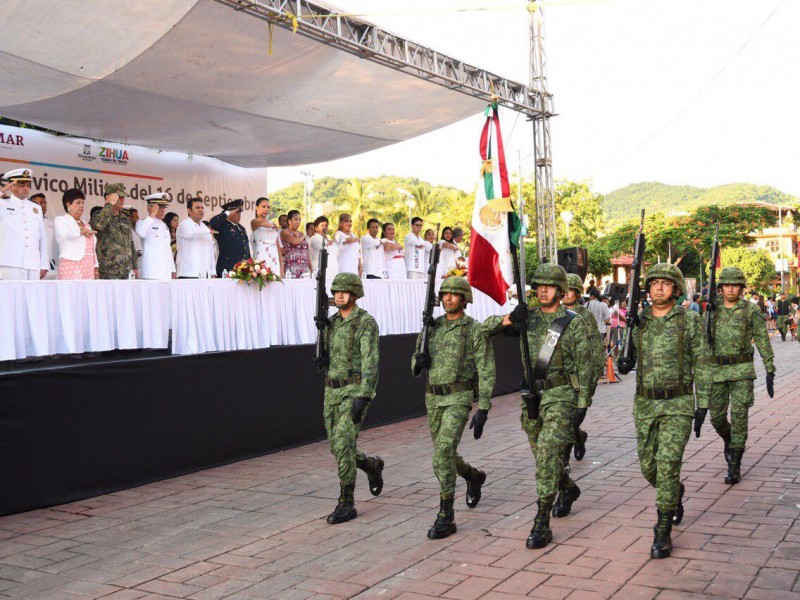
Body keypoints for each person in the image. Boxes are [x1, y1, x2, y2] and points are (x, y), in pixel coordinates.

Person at [487, 264, 593, 550]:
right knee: (542, 456)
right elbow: (483, 330)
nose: (542, 291)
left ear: (560, 290)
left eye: (549, 286)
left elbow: (586, 365)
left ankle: (541, 519)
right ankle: (568, 488)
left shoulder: (572, 322)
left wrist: (583, 403)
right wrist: (510, 319)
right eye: (539, 286)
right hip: (532, 396)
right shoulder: (527, 318)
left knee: (547, 453)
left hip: (561, 394)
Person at [629, 263, 712, 559]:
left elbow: (702, 362)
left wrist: (703, 402)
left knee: (667, 463)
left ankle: (662, 528)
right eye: (654, 283)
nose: (659, 288)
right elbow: (630, 357)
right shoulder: (638, 322)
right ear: (648, 289)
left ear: (676, 290)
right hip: (645, 403)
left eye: (666, 283)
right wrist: (625, 362)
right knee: (648, 466)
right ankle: (674, 492)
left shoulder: (689, 321)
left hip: (678, 404)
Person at [411, 277, 494, 539]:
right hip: (433, 398)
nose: (448, 298)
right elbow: (415, 360)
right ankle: (473, 476)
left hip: (459, 397)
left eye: (454, 294)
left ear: (465, 299)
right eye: (445, 294)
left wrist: (483, 407)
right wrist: (418, 361)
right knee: (443, 453)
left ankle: (446, 514)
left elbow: (486, 368)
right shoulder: (431, 328)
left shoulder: (474, 329)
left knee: (443, 451)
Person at [314, 272, 384, 524]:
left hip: (353, 391)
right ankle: (370, 465)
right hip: (331, 391)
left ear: (355, 294)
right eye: (335, 292)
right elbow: (327, 356)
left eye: (344, 291)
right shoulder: (330, 323)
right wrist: (322, 358)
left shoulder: (364, 322)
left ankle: (346, 502)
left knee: (343, 443)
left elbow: (371, 362)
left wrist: (365, 395)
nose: (338, 295)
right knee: (337, 447)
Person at [708, 267, 774, 486]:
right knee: (716, 418)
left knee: (739, 418)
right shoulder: (711, 310)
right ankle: (728, 439)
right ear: (720, 288)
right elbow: (698, 340)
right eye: (726, 285)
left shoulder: (749, 310)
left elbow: (762, 339)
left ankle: (734, 464)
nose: (730, 289)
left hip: (742, 372)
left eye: (735, 285)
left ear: (741, 288)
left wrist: (769, 368)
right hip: (716, 372)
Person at [562, 273, 605, 461]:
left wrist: (594, 375)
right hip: (558, 377)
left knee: (571, 419)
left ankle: (566, 454)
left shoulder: (585, 316)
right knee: (562, 420)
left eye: (570, 290)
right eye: (563, 289)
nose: (565, 294)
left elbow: (595, 346)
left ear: (578, 292)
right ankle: (578, 436)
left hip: (579, 376)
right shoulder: (553, 312)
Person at [0, 169, 49, 280]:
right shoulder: (3, 204)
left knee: (33, 297)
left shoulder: (36, 208)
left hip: (33, 263)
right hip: (10, 263)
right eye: (22, 185)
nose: (26, 188)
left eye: (28, 185)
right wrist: (4, 189)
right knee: (10, 297)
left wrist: (44, 263)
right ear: (12, 187)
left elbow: (42, 237)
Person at [90, 183, 139, 280]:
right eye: (119, 197)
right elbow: (99, 225)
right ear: (108, 198)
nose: (122, 200)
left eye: (123, 197)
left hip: (126, 270)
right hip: (108, 271)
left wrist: (135, 266)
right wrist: (108, 205)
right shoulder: (98, 215)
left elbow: (131, 244)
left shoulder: (125, 219)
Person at [54, 188, 98, 280]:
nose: (81, 205)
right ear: (68, 204)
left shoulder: (86, 224)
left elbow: (92, 249)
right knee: (71, 294)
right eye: (78, 203)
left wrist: (95, 267)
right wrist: (82, 231)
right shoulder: (61, 220)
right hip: (71, 266)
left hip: (88, 267)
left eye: (83, 203)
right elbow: (65, 233)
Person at [210, 199, 250, 277]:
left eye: (240, 212)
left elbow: (246, 249)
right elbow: (213, 222)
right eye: (236, 212)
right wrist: (226, 213)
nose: (239, 215)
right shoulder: (222, 225)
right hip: (228, 268)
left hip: (243, 269)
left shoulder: (241, 228)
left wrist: (249, 265)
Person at [176, 198, 216, 278]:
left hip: (205, 274)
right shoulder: (184, 225)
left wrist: (212, 271)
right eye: (197, 208)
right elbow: (192, 233)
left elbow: (210, 250)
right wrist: (209, 231)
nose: (201, 210)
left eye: (202, 208)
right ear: (189, 211)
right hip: (188, 273)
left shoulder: (204, 227)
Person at [250, 197, 283, 277]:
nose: (266, 209)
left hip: (274, 257)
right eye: (263, 207)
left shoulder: (272, 224)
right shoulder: (254, 222)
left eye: (268, 207)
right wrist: (273, 225)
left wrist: (281, 266)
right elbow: (262, 224)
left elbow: (278, 247)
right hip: (261, 256)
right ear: (257, 207)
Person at [30, 193, 57, 276]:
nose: (44, 205)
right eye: (41, 203)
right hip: (34, 264)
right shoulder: (29, 221)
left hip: (49, 264)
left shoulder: (49, 222)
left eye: (45, 203)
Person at [280, 210, 310, 278]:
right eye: (296, 219)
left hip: (304, 268)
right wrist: (303, 237)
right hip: (291, 267)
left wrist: (311, 268)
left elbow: (306, 252)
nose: (298, 222)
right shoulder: (285, 232)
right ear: (289, 221)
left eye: (299, 220)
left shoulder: (301, 234)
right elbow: (295, 241)